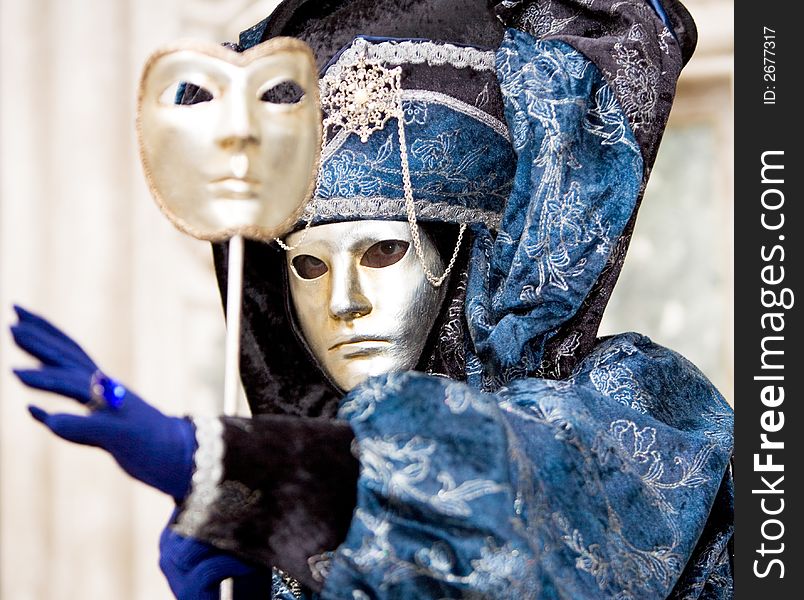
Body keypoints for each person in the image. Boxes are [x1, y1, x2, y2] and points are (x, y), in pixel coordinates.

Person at [11, 1, 733, 598]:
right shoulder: (285, 536)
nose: (345, 303)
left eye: (386, 251)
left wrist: (245, 473)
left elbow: (506, 505)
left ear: (462, 261)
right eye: (308, 266)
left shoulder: (635, 407)